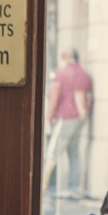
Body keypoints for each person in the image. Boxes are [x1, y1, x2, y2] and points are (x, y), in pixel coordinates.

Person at [43, 48, 93, 200]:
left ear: (65, 57)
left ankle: (43, 187)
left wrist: (49, 117)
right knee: (74, 152)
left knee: (52, 153)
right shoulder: (85, 74)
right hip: (80, 119)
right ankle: (75, 187)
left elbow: (54, 97)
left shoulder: (61, 74)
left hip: (65, 117)